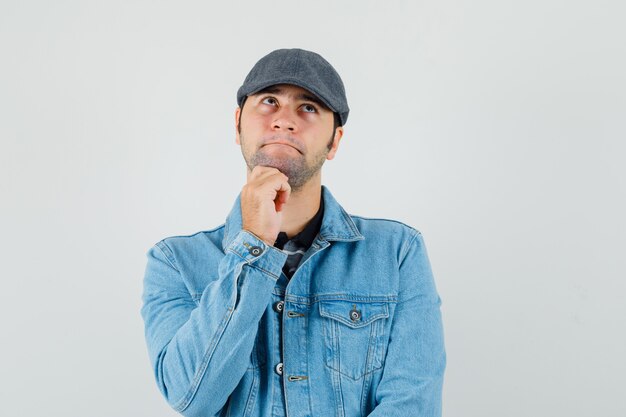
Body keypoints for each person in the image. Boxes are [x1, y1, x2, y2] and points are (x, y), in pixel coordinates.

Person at [141, 48, 446, 417]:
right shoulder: (174, 262)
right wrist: (253, 246)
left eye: (309, 107)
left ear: (335, 141)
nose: (285, 121)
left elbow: (412, 405)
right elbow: (192, 397)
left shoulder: (397, 253)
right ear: (237, 123)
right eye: (269, 101)